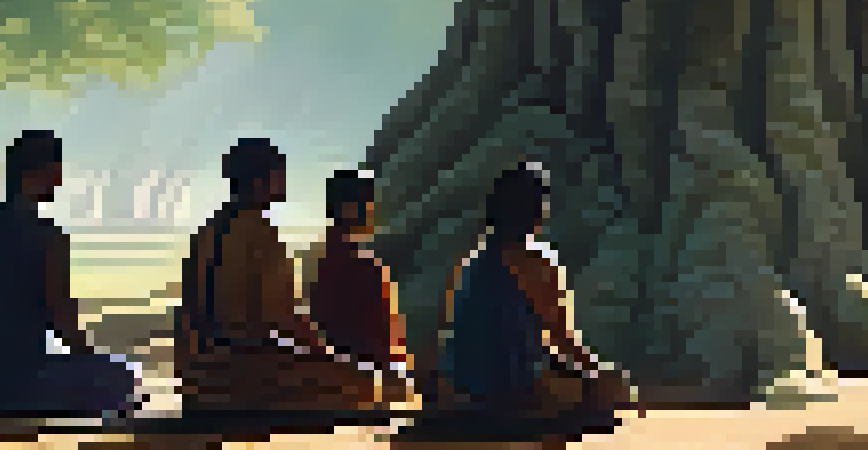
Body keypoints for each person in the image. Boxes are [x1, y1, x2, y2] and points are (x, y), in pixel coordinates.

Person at [0, 129, 143, 416]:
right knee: (120, 375)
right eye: (57, 170)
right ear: (44, 172)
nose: (61, 180)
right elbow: (63, 322)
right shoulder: (48, 236)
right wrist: (91, 363)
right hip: (21, 386)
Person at [176, 138, 386, 411]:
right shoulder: (262, 232)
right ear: (264, 179)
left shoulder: (206, 231)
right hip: (238, 374)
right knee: (365, 385)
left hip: (197, 376)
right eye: (280, 174)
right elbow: (284, 316)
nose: (285, 182)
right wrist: (329, 357)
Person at [437, 162, 634, 417]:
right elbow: (562, 340)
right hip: (512, 387)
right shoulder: (534, 260)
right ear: (537, 210)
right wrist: (601, 373)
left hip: (463, 384)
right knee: (615, 385)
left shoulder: (472, 260)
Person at [306, 169, 414, 400]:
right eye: (368, 205)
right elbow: (381, 338)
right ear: (350, 209)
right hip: (361, 384)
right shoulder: (363, 265)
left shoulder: (315, 259)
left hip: (330, 377)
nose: (372, 213)